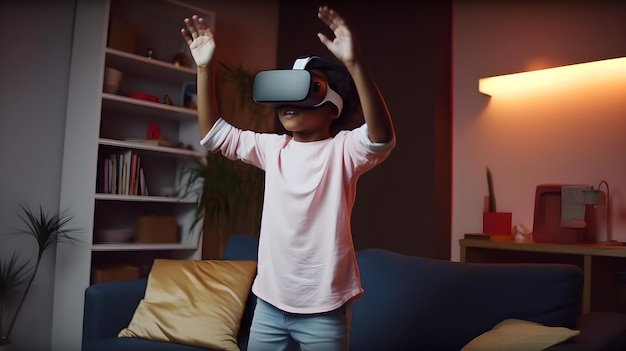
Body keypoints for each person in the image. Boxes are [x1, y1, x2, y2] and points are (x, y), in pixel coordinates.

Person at [181, 6, 395, 351]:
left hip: (324, 308)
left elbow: (380, 137)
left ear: (331, 108)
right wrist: (204, 68)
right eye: (282, 97)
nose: (287, 103)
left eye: (303, 91)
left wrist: (354, 64)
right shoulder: (273, 148)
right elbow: (213, 136)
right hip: (268, 303)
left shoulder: (343, 150)